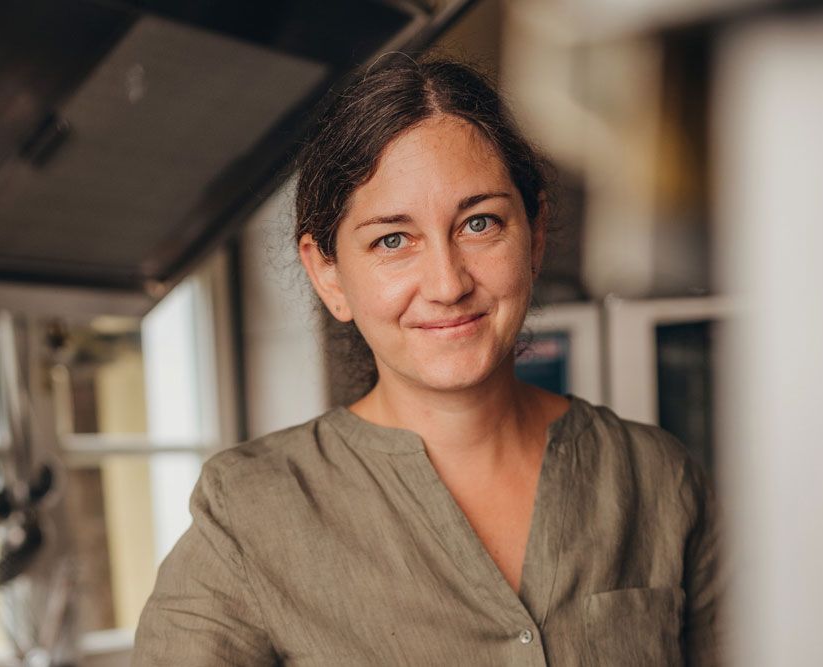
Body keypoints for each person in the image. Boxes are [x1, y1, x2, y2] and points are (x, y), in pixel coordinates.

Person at [132, 55, 721, 666]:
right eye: (393, 239)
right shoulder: (251, 513)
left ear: (535, 234)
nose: (446, 283)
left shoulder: (658, 479)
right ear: (327, 274)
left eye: (479, 223)